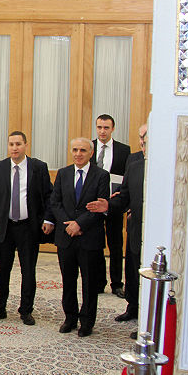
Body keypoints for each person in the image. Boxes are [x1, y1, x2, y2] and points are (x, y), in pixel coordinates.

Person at [0, 131, 54, 325]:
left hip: (28, 228)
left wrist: (49, 219)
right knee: (2, 270)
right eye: (11, 144)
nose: (14, 148)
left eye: (18, 144)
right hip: (5, 227)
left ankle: (26, 310)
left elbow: (49, 196)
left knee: (28, 271)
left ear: (25, 145)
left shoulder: (38, 167)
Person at [51, 138, 110, 337]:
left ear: (91, 153)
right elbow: (55, 203)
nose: (78, 154)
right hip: (66, 237)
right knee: (68, 280)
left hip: (89, 238)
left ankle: (87, 321)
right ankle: (70, 318)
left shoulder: (101, 176)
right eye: (75, 150)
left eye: (83, 150)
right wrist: (68, 224)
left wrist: (80, 224)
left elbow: (100, 207)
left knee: (89, 283)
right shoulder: (63, 173)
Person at [87, 130, 147, 325]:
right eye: (142, 141)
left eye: (147, 141)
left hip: (156, 232)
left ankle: (148, 316)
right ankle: (133, 307)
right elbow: (124, 196)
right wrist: (109, 205)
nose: (143, 145)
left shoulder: (168, 167)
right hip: (136, 229)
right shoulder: (135, 166)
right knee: (132, 269)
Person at [91, 114, 130, 297]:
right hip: (94, 204)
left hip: (114, 203)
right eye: (99, 127)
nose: (102, 131)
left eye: (106, 128)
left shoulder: (123, 150)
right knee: (96, 244)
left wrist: (120, 194)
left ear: (112, 129)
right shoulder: (89, 147)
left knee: (115, 244)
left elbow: (127, 177)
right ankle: (99, 282)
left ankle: (117, 283)